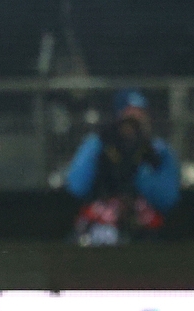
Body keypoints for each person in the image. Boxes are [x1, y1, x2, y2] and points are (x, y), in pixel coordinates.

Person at [65, 88, 180, 246]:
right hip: (102, 226)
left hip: (143, 229)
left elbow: (167, 199)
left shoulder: (158, 151)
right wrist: (100, 148)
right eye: (129, 116)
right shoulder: (99, 144)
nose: (134, 123)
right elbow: (77, 187)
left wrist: (139, 169)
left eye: (140, 115)